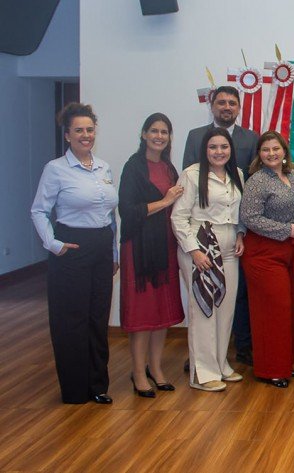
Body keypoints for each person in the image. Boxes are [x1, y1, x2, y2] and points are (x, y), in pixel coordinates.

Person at [31, 102, 118, 404]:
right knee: (72, 320)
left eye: (90, 130)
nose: (85, 135)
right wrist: (54, 244)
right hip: (71, 247)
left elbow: (110, 215)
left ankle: (98, 385)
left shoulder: (104, 167)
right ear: (67, 135)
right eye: (78, 130)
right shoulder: (55, 169)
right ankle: (75, 390)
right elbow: (39, 211)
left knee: (97, 318)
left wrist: (113, 251)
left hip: (101, 247)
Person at [183, 85, 258, 367]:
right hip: (201, 232)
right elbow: (188, 179)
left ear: (239, 107)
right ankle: (201, 358)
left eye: (232, 103)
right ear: (212, 106)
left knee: (237, 295)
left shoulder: (251, 138)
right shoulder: (195, 136)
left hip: (235, 229)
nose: (227, 107)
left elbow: (251, 183)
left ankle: (240, 349)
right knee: (203, 295)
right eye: (221, 102)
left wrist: (242, 230)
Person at [171, 127, 246, 392]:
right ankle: (202, 373)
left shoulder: (237, 174)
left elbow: (239, 213)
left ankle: (220, 364)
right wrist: (194, 251)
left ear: (230, 150)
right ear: (205, 150)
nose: (219, 152)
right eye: (213, 147)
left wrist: (240, 234)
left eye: (224, 147)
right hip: (201, 245)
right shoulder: (191, 175)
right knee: (204, 309)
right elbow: (178, 217)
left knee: (225, 307)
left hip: (230, 247)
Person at [117, 113, 185, 398]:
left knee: (161, 312)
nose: (159, 136)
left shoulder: (169, 167)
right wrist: (165, 201)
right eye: (154, 131)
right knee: (142, 313)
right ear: (144, 134)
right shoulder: (133, 167)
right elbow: (127, 211)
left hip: (165, 246)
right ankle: (137, 372)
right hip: (139, 250)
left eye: (164, 132)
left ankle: (156, 369)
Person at [240, 131, 294, 388]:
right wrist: (285, 230)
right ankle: (270, 370)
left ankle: (284, 363)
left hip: (292, 251)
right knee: (273, 311)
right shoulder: (257, 181)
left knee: (288, 309)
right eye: (266, 150)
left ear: (284, 151)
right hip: (264, 253)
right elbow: (250, 218)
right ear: (259, 154)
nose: (271, 154)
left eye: (275, 148)